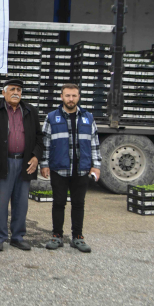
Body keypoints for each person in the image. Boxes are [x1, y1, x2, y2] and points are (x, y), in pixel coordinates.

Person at [40, 84, 101, 253]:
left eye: (74, 96)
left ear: (79, 97)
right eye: (67, 95)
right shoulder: (52, 117)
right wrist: (44, 164)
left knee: (78, 204)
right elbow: (45, 143)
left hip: (81, 169)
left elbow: (94, 143)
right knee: (58, 203)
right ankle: (57, 236)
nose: (71, 99)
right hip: (59, 169)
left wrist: (96, 165)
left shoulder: (88, 118)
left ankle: (77, 237)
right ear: (62, 97)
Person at [0, 79, 43, 252]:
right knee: (0, 203)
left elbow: (39, 137)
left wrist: (36, 157)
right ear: (3, 92)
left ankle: (18, 237)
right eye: (12, 89)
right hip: (2, 163)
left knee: (21, 203)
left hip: (25, 164)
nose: (16, 92)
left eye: (19, 90)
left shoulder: (30, 111)